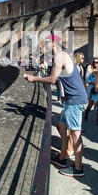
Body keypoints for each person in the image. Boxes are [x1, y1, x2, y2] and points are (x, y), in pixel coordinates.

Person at [25, 34, 88, 177]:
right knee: (62, 126)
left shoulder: (59, 56)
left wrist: (34, 78)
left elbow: (53, 79)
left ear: (53, 43)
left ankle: (78, 169)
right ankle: (62, 158)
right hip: (73, 99)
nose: (43, 48)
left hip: (75, 100)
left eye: (45, 45)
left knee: (76, 134)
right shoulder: (64, 55)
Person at [84, 57, 98, 124]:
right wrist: (95, 83)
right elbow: (87, 79)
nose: (95, 63)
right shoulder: (89, 69)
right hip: (91, 89)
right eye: (94, 62)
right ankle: (86, 114)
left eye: (97, 62)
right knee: (90, 104)